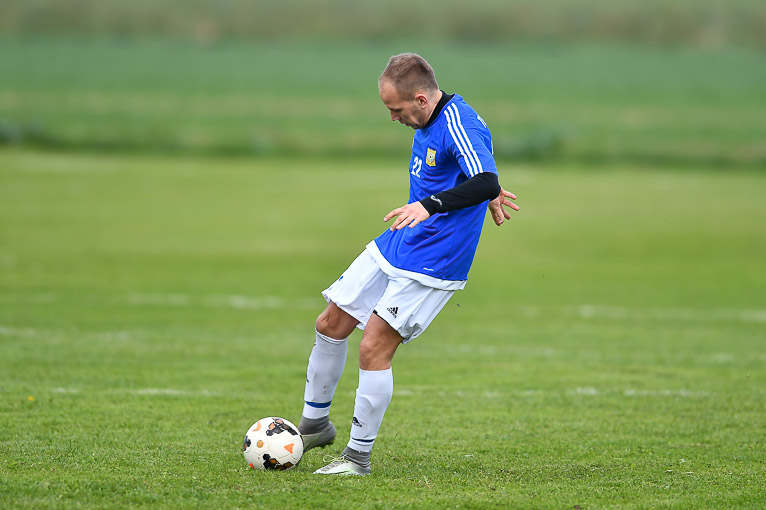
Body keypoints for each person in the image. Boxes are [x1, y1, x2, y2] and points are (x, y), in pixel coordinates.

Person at [297, 52, 519, 475]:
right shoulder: (428, 117)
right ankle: (315, 424)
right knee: (331, 322)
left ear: (420, 99)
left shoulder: (459, 120)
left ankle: (356, 458)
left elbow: (484, 179)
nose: (393, 118)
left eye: (396, 110)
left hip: (436, 258)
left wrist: (436, 203)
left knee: (373, 346)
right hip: (403, 239)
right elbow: (478, 175)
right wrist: (483, 193)